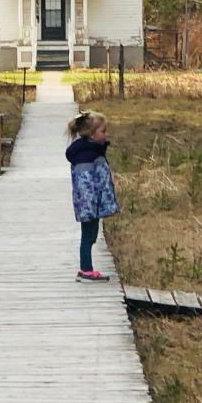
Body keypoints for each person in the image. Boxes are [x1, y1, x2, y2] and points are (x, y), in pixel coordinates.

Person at [66, 110, 119, 282]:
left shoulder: (94, 150)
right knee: (87, 236)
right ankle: (86, 270)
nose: (106, 134)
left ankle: (86, 269)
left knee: (91, 235)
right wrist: (90, 204)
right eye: (103, 131)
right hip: (90, 203)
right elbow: (85, 183)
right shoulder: (85, 156)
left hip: (93, 202)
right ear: (91, 134)